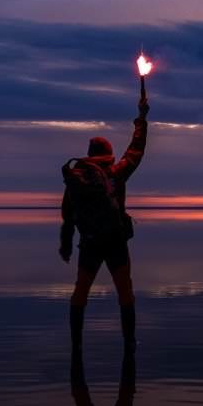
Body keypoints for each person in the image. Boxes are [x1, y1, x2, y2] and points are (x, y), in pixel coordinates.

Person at [60, 90, 149, 351]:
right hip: (115, 242)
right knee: (125, 291)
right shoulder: (115, 173)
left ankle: (76, 346)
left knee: (80, 292)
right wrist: (141, 117)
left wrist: (65, 244)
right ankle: (129, 345)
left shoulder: (77, 180)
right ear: (108, 155)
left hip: (88, 243)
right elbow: (136, 150)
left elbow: (67, 215)